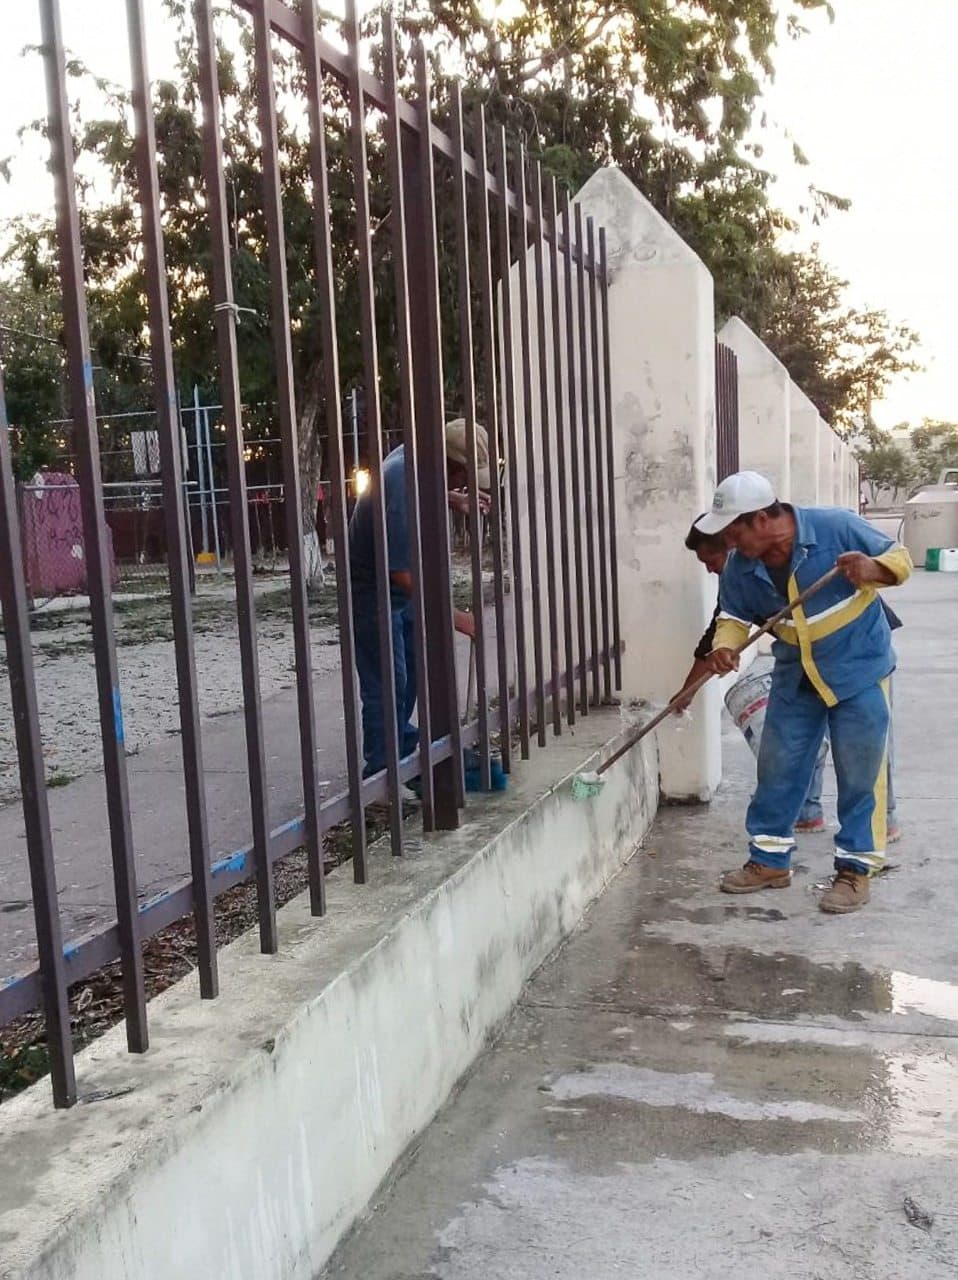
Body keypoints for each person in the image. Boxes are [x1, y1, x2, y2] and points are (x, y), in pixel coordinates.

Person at [695, 470, 911, 914]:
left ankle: (855, 870)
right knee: (778, 768)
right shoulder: (741, 566)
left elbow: (901, 559)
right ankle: (769, 861)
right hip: (796, 676)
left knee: (860, 772)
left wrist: (873, 569)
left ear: (760, 519)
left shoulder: (835, 527)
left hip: (859, 668)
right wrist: (724, 647)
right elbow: (733, 616)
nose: (729, 542)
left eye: (734, 529)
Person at [673, 520, 900, 840]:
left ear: (735, 545)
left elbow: (893, 561)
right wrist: (687, 692)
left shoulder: (797, 555)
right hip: (802, 662)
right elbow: (718, 633)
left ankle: (883, 821)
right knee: (801, 739)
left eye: (711, 561)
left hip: (857, 651)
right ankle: (806, 813)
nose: (711, 570)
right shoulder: (740, 580)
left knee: (869, 746)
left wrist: (874, 568)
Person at [348, 419, 489, 779]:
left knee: (409, 669)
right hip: (376, 591)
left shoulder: (419, 458)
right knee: (388, 680)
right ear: (448, 464)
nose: (465, 484)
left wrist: (452, 498)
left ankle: (402, 742)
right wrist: (456, 618)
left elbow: (425, 489)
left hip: (400, 588)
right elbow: (402, 573)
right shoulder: (401, 478)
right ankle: (382, 773)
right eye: (462, 478)